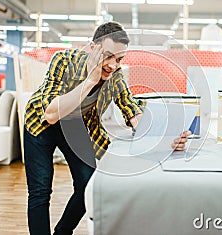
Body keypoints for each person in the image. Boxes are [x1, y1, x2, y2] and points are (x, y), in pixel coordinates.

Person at [23, 21, 191, 235]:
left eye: (119, 59)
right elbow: (51, 113)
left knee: (88, 185)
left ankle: (62, 232)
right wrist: (91, 80)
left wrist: (165, 138)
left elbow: (132, 111)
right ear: (93, 48)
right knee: (40, 191)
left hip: (75, 125)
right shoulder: (64, 60)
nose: (113, 65)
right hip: (40, 124)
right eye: (108, 56)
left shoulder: (115, 76)